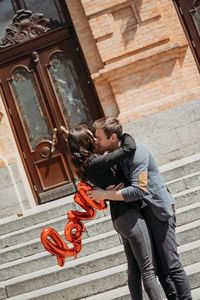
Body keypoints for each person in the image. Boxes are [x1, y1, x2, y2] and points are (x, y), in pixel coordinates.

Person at [87, 117, 192, 300]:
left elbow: (138, 190)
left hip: (159, 210)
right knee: (160, 270)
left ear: (112, 137)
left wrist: (105, 195)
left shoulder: (138, 154)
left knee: (171, 265)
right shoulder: (115, 153)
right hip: (143, 213)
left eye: (99, 138)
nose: (96, 141)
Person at [67, 123, 162, 300]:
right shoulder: (95, 162)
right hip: (129, 217)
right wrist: (119, 132)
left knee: (134, 270)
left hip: (120, 218)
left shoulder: (91, 163)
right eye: (91, 136)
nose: (95, 139)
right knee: (148, 270)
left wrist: (108, 193)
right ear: (84, 141)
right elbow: (129, 146)